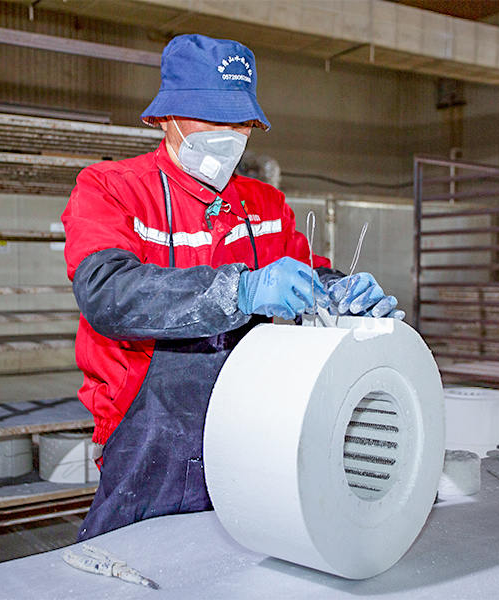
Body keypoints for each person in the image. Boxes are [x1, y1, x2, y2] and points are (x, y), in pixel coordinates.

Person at [62, 33, 403, 541]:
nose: (228, 135)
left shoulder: (265, 204)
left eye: (239, 122)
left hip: (253, 423)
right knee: (134, 555)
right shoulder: (112, 189)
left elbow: (307, 275)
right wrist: (239, 291)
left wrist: (341, 292)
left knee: (244, 556)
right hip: (148, 432)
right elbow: (108, 292)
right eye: (210, 118)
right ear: (166, 117)